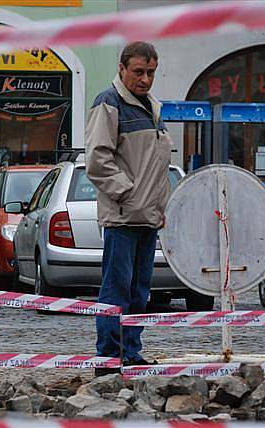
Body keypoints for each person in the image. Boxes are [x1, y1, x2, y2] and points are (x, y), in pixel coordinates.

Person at [86, 41, 172, 376]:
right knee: (116, 289)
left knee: (139, 292)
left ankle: (131, 353)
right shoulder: (109, 103)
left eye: (151, 72)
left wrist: (159, 205)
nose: (146, 79)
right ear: (122, 68)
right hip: (123, 217)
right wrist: (128, 193)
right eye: (139, 71)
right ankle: (108, 358)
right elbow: (97, 160)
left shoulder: (152, 107)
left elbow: (156, 165)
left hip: (147, 218)